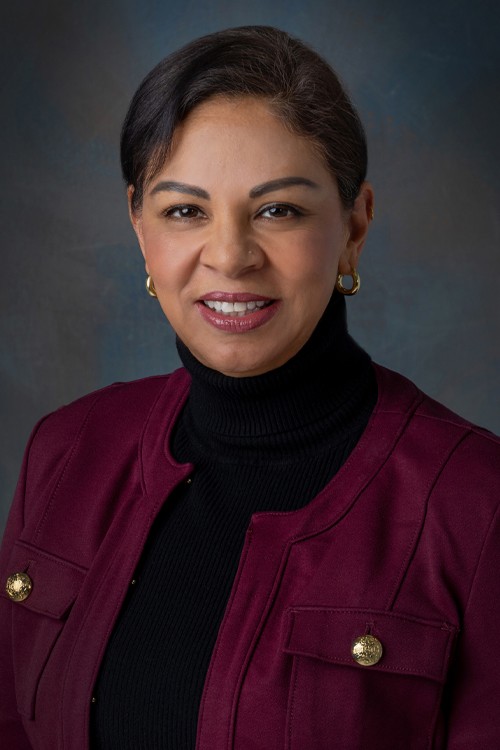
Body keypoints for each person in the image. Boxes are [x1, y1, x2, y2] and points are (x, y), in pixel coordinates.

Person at [1, 25, 499, 750]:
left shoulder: (477, 507)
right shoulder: (66, 452)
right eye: (184, 211)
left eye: (278, 210)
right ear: (140, 227)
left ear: (354, 227)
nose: (230, 256)